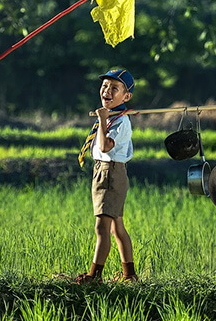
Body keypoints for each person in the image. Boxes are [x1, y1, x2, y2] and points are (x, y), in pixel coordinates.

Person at [76, 69, 138, 284]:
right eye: (105, 86)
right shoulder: (113, 117)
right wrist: (104, 117)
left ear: (126, 97)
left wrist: (102, 120)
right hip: (103, 170)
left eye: (115, 88)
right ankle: (129, 274)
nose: (107, 91)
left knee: (102, 226)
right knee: (115, 226)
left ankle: (95, 275)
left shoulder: (120, 122)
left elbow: (104, 145)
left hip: (110, 172)